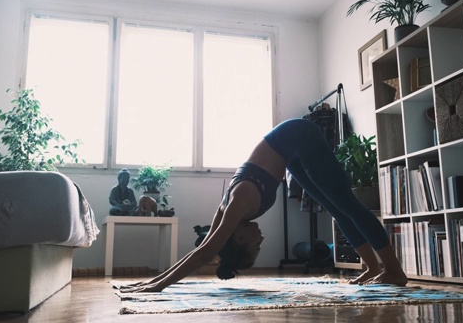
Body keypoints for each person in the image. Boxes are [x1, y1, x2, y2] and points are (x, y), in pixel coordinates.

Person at [121, 119, 407, 293]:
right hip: (291, 151)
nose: (261, 240)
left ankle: (393, 270)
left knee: (347, 202)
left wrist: (158, 285)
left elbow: (207, 252)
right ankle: (371, 267)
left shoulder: (239, 203)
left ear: (240, 237)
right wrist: (156, 279)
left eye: (254, 246)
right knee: (335, 208)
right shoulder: (227, 213)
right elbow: (202, 250)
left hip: (299, 135)